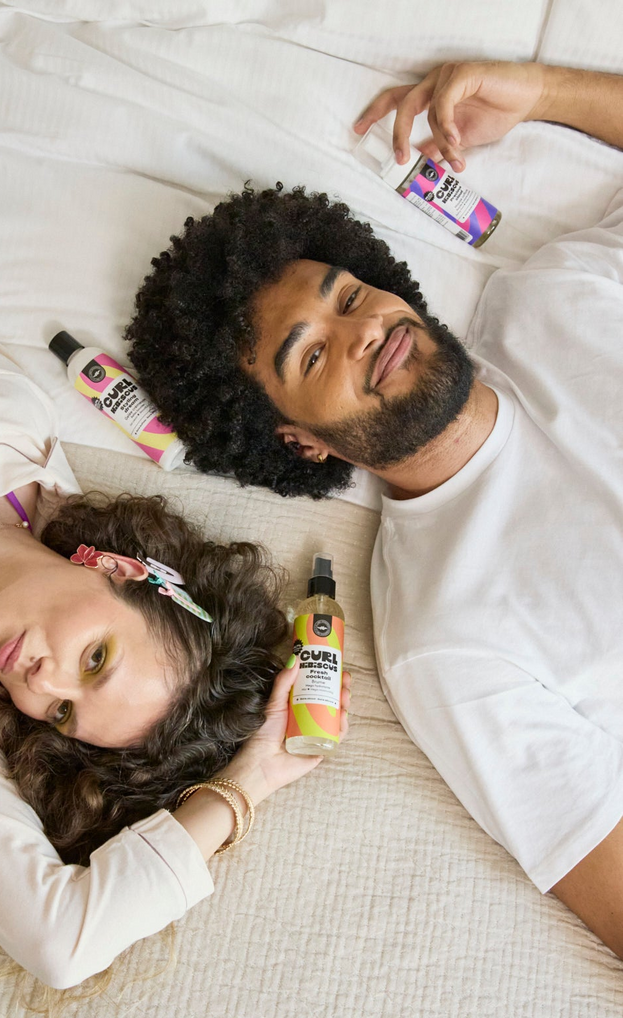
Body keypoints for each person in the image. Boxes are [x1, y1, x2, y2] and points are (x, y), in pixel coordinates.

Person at [124, 61, 623, 960]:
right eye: (312, 356)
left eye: (348, 297)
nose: (363, 332)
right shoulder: (444, 641)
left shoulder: (555, 300)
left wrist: (545, 96)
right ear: (298, 441)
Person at [0, 263, 351, 989]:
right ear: (124, 570)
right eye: (96, 659)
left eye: (64, 713)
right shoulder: (12, 424)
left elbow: (60, 944)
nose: (41, 687)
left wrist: (249, 781)